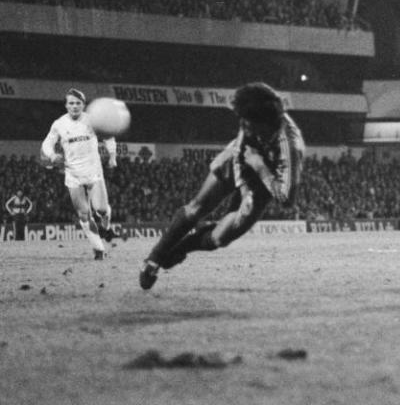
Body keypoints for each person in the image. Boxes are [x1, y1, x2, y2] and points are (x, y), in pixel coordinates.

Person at [139, 82, 305, 290]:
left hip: (265, 182)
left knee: (219, 239)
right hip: (240, 163)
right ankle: (154, 259)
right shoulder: (250, 122)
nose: (243, 126)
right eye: (242, 122)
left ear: (265, 124)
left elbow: (286, 199)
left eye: (248, 124)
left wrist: (261, 168)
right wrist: (243, 187)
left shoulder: (290, 147)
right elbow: (238, 155)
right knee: (196, 207)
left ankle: (184, 247)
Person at [40, 88, 119, 259]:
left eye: (78, 103)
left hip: (94, 173)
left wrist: (112, 156)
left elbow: (109, 138)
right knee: (84, 213)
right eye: (71, 103)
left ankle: (105, 225)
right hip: (73, 175)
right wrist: (53, 155)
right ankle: (99, 249)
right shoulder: (59, 124)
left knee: (101, 209)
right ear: (66, 105)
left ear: (83, 105)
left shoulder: (92, 120)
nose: (74, 106)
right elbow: (47, 144)